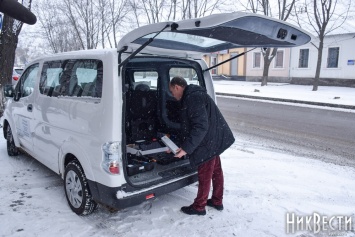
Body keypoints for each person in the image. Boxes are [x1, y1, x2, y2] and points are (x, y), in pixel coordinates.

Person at [169, 76, 235, 216]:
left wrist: (186, 148)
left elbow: (200, 126)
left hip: (208, 142)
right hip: (213, 138)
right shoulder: (194, 94)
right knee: (216, 171)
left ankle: (199, 207)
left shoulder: (192, 98)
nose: (173, 96)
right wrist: (179, 144)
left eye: (172, 92)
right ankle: (217, 201)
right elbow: (191, 126)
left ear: (177, 87)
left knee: (205, 174)